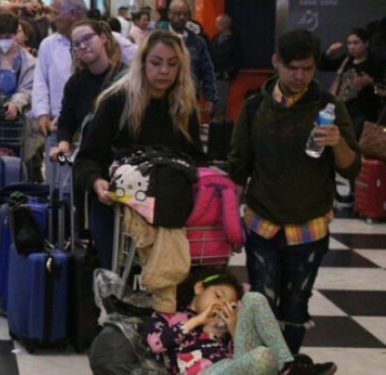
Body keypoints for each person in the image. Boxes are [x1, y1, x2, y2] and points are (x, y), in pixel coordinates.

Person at [228, 29, 360, 355]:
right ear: (276, 62)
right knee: (262, 299)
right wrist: (230, 219)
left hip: (310, 223)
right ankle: (262, 366)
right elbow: (239, 166)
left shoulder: (329, 105)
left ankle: (287, 364)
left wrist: (337, 142)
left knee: (296, 305)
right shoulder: (254, 106)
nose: (300, 76)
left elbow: (351, 167)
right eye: (292, 68)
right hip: (262, 220)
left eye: (308, 69)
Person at [73, 30, 205, 269]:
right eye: (156, 63)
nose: (164, 71)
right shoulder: (115, 101)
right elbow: (86, 159)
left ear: (180, 69)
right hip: (116, 210)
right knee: (120, 281)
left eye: (172, 64)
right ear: (142, 63)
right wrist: (96, 182)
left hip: (168, 208)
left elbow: (197, 159)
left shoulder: (184, 106)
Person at [34, 0, 135, 188]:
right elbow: (40, 81)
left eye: (55, 13)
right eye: (77, 44)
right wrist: (42, 113)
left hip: (107, 145)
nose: (51, 19)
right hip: (63, 132)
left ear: (72, 13)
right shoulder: (49, 45)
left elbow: (141, 60)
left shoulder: (114, 42)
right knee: (61, 186)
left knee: (96, 184)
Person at [145, 269, 335, 375]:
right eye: (218, 295)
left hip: (232, 368)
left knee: (254, 299)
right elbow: (156, 344)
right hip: (202, 373)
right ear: (199, 288)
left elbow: (239, 360)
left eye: (229, 304)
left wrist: (233, 328)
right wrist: (198, 320)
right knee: (263, 355)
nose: (220, 305)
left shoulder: (222, 325)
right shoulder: (169, 316)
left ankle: (287, 367)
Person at [50, 19, 124, 165]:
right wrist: (63, 146)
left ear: (103, 38)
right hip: (89, 158)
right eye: (76, 44)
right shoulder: (75, 84)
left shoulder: (125, 78)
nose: (83, 46)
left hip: (121, 158)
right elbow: (66, 121)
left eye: (87, 38)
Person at [322, 27, 385, 138]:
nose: (352, 47)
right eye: (349, 43)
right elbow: (324, 66)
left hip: (364, 112)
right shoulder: (346, 60)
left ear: (366, 44)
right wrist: (329, 53)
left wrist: (370, 81)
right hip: (342, 109)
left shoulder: (376, 63)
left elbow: (383, 84)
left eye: (356, 43)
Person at [168, 0, 218, 109]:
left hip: (190, 97)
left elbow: (207, 71)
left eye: (185, 14)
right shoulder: (158, 39)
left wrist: (210, 97)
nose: (181, 17)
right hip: (164, 96)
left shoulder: (198, 42)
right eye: (177, 13)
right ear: (169, 15)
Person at [209, 14, 242, 120]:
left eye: (217, 23)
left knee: (221, 97)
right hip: (213, 73)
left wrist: (230, 71)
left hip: (224, 74)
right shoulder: (214, 39)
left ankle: (218, 118)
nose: (215, 25)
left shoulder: (234, 41)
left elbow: (238, 57)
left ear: (225, 25)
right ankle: (211, 117)